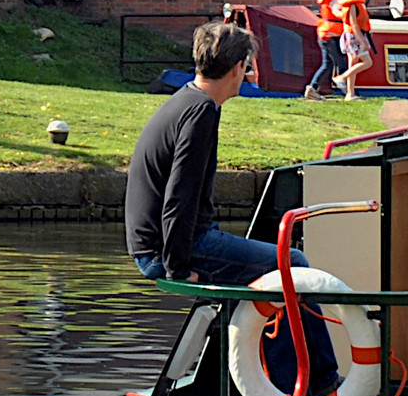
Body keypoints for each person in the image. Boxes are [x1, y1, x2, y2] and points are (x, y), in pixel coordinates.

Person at [128, 22, 307, 286]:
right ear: (237, 68)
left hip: (160, 244)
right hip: (165, 251)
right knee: (295, 263)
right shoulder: (201, 112)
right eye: (247, 67)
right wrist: (177, 270)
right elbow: (180, 196)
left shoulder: (188, 100)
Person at [304, 0, 350, 100]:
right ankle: (348, 92)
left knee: (327, 64)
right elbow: (337, 12)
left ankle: (312, 88)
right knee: (340, 63)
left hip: (325, 33)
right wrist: (349, 14)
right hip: (331, 34)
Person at [332, 0, 373, 100]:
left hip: (348, 35)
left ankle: (350, 94)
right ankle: (341, 78)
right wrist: (362, 42)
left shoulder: (348, 2)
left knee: (353, 64)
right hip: (354, 36)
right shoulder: (353, 4)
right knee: (367, 62)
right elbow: (354, 24)